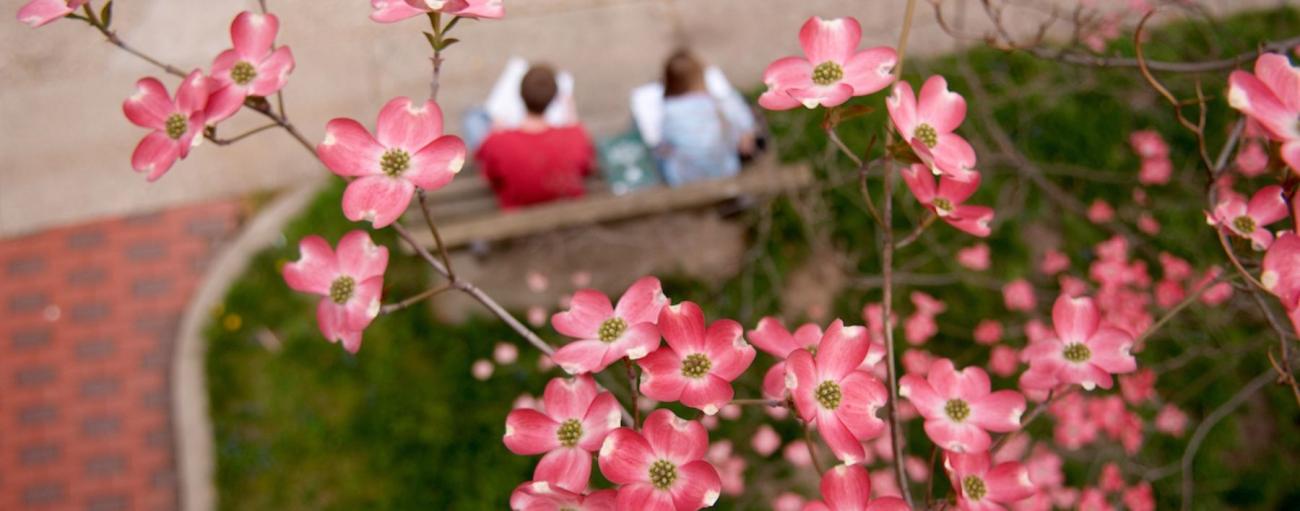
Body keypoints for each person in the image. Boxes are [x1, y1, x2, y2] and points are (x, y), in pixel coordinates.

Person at [474, 65, 595, 209]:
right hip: (567, 213)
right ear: (555, 99)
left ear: (520, 95)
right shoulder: (576, 136)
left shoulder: (498, 142)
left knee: (473, 118)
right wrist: (573, 119)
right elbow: (586, 167)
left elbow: (488, 176)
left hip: (518, 214)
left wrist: (495, 130)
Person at [643, 49, 757, 187]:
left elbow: (664, 141)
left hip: (685, 179)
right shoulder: (717, 103)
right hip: (724, 170)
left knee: (659, 154)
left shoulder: (669, 110)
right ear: (701, 77)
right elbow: (744, 123)